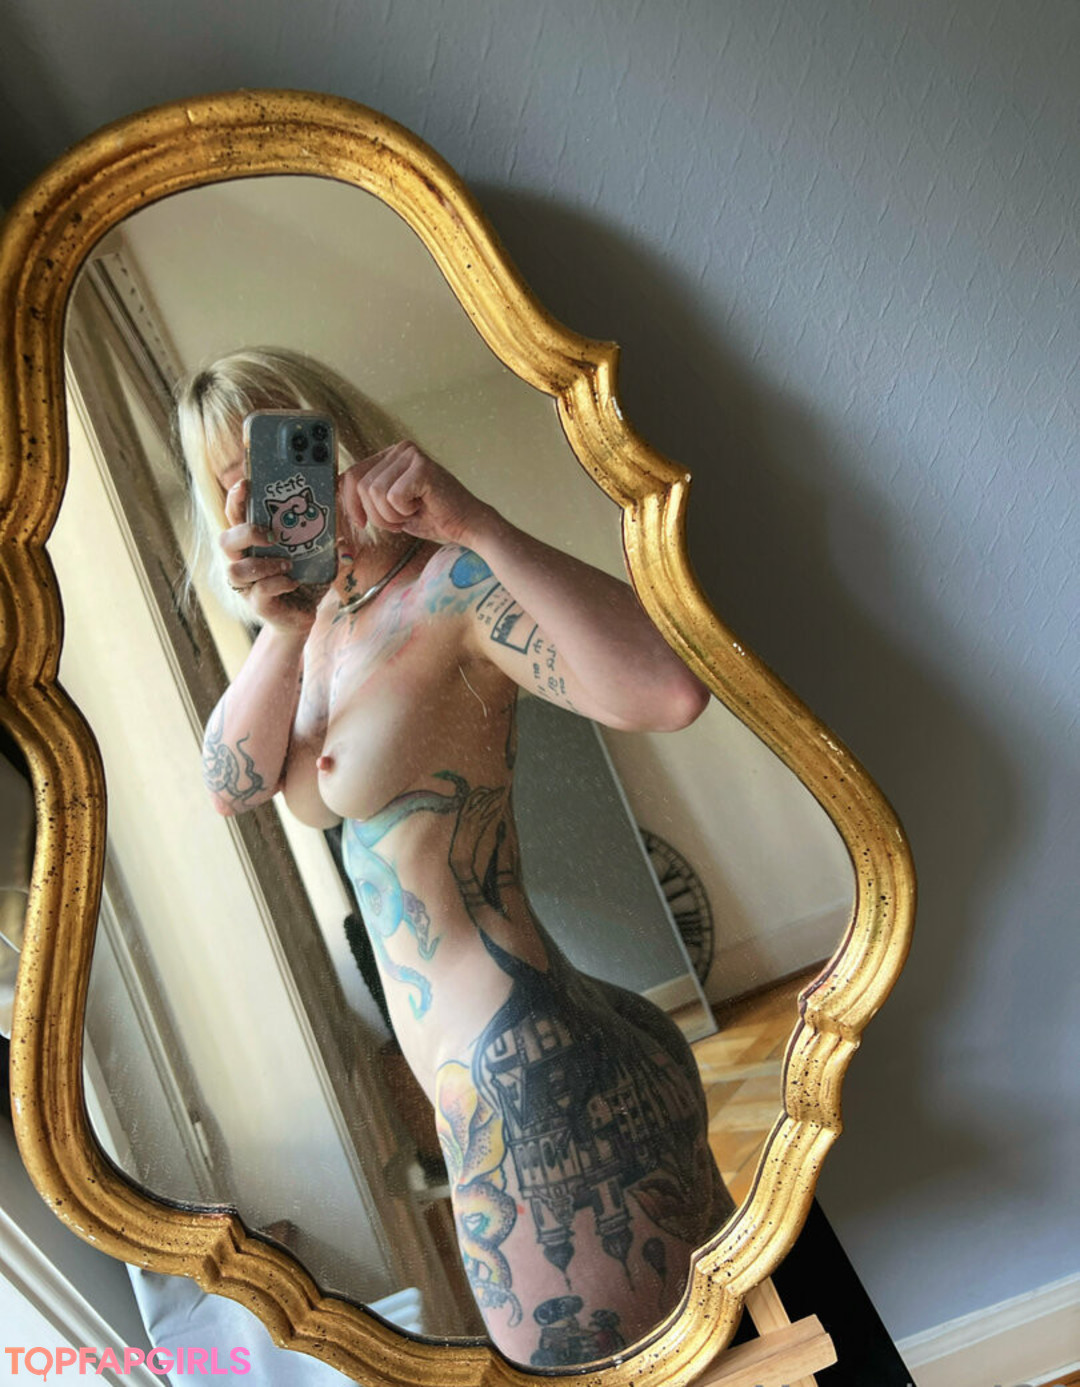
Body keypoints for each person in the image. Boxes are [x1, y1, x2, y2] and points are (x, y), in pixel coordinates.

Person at [176, 348, 733, 1368]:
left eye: (287, 451)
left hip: (532, 1075)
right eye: (234, 483)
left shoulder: (450, 587)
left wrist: (475, 523)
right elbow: (230, 784)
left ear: (343, 438)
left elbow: (667, 691)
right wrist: (279, 626)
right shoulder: (315, 637)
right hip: (485, 1080)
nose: (271, 494)